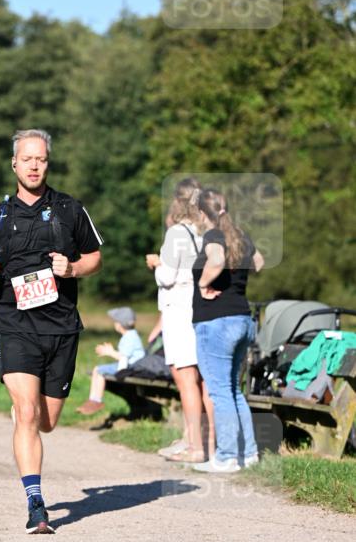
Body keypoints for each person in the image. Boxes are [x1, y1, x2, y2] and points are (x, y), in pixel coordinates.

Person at [0, 129, 103, 533]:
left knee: (46, 421)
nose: (33, 165)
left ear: (48, 163)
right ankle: (36, 504)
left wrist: (74, 268)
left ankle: (26, 413)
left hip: (60, 326)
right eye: (26, 159)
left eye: (40, 159)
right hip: (14, 323)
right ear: (14, 164)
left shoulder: (70, 209)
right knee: (27, 414)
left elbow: (95, 255)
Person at [191, 188, 264, 473]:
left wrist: (202, 284)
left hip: (216, 323)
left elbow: (217, 260)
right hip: (243, 319)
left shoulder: (212, 236)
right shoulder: (241, 235)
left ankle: (228, 456)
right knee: (233, 390)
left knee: (220, 391)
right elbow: (258, 263)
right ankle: (249, 453)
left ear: (201, 213)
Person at [146, 178, 215, 464]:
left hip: (179, 309)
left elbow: (168, 277)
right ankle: (209, 442)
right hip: (200, 307)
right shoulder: (206, 232)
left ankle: (195, 447)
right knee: (204, 380)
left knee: (185, 377)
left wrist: (157, 264)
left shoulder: (176, 233)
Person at [76, 306, 145, 415]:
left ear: (119, 324)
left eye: (115, 322)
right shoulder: (131, 335)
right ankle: (92, 400)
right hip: (130, 366)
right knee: (97, 370)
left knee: (99, 370)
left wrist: (109, 352)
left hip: (131, 367)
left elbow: (123, 358)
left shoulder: (129, 337)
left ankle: (96, 400)